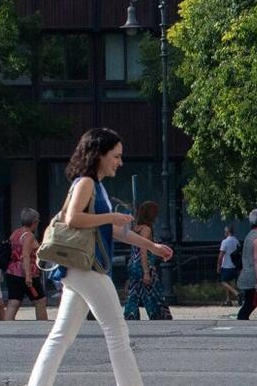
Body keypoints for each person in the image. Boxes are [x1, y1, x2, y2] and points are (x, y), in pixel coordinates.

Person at [27, 128, 174, 386]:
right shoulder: (86, 183)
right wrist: (110, 217)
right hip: (87, 268)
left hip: (78, 269)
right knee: (117, 330)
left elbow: (116, 231)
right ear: (99, 155)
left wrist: (151, 246)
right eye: (116, 156)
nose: (120, 162)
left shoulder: (96, 186)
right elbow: (73, 218)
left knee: (61, 336)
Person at [123, 201, 171, 320]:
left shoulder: (135, 228)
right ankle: (158, 313)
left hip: (133, 264)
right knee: (153, 289)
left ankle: (130, 314)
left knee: (134, 291)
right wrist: (146, 272)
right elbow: (143, 250)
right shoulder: (146, 230)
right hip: (143, 264)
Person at [4, 208, 48, 321]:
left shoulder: (15, 233)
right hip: (26, 273)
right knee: (40, 301)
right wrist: (28, 275)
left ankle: (5, 327)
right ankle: (42, 325)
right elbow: (26, 256)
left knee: (13, 302)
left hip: (12, 271)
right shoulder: (29, 236)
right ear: (34, 222)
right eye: (37, 221)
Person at [217, 226, 240, 306]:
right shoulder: (237, 241)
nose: (224, 233)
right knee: (229, 283)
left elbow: (221, 255)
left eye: (225, 232)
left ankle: (236, 293)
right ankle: (228, 300)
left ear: (228, 232)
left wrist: (218, 265)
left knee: (223, 282)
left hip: (226, 265)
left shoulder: (225, 242)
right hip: (235, 266)